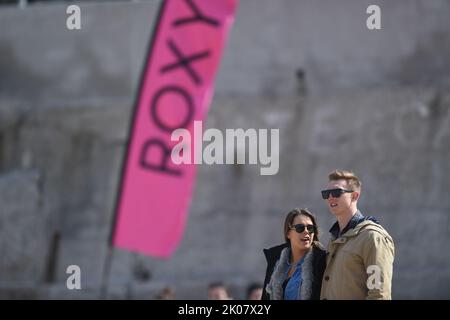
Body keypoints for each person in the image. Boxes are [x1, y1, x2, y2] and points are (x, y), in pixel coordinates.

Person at [320, 170, 395, 300]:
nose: (331, 197)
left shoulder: (372, 237)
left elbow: (379, 294)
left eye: (337, 192)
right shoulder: (335, 237)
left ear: (354, 196)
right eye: (326, 194)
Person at [262, 208, 326, 300]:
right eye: (300, 228)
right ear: (288, 233)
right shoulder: (275, 260)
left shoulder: (322, 262)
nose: (306, 231)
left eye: (310, 228)